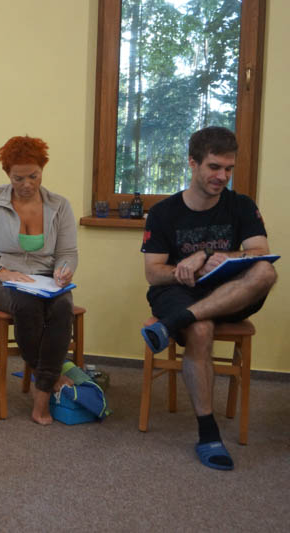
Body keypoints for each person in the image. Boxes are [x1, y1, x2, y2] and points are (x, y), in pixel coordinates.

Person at [140, 126, 277, 471]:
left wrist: (211, 256)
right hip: (178, 291)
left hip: (228, 292)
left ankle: (176, 323)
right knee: (201, 330)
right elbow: (153, 273)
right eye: (214, 167)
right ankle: (208, 433)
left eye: (228, 169)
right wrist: (184, 269)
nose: (222, 176)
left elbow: (259, 252)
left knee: (265, 272)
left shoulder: (241, 205)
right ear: (193, 163)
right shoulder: (163, 212)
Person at [0, 136, 78, 425]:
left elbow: (67, 253)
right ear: (7, 174)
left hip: (45, 282)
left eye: (34, 176)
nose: (27, 184)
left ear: (42, 170)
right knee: (27, 304)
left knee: (62, 308)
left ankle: (42, 387)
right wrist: (1, 271)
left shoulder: (59, 205)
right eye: (18, 178)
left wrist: (63, 271)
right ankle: (49, 383)